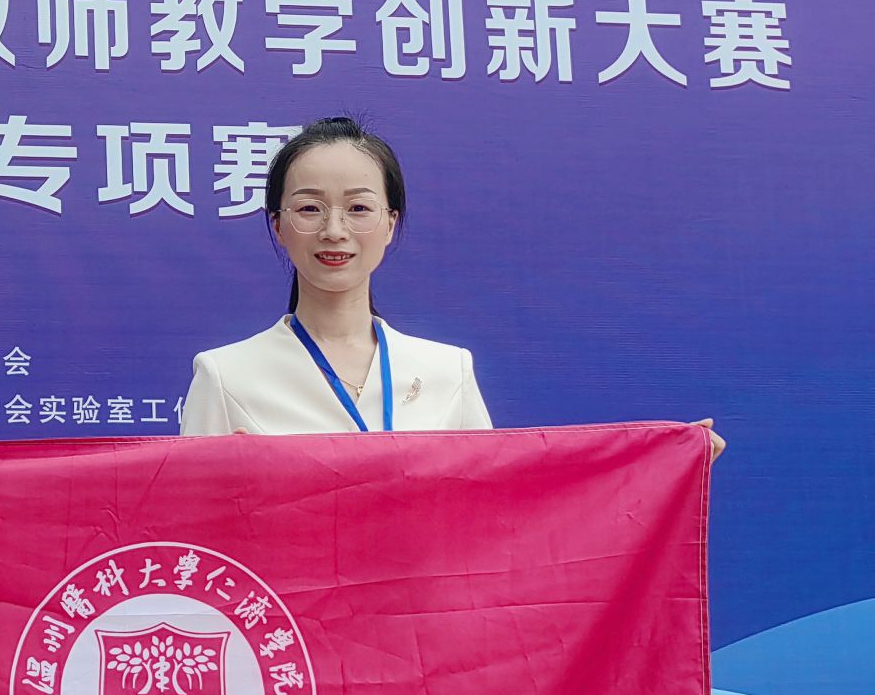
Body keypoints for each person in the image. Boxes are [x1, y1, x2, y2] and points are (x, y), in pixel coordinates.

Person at [178, 117, 726, 457]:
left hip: (426, 611)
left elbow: (501, 507)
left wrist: (664, 461)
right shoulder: (226, 375)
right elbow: (190, 531)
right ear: (278, 225)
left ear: (390, 224)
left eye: (359, 208)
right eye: (309, 208)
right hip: (290, 613)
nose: (335, 230)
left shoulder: (446, 370)